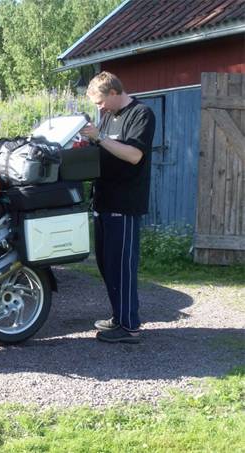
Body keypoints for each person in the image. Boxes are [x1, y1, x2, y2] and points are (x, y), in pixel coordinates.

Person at [79, 71, 155, 344]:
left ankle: (130, 327)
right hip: (103, 200)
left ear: (113, 92)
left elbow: (134, 155)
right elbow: (104, 149)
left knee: (122, 267)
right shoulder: (108, 116)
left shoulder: (141, 114)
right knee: (107, 265)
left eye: (100, 102)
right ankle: (118, 316)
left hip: (125, 203)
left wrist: (99, 137)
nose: (99, 108)